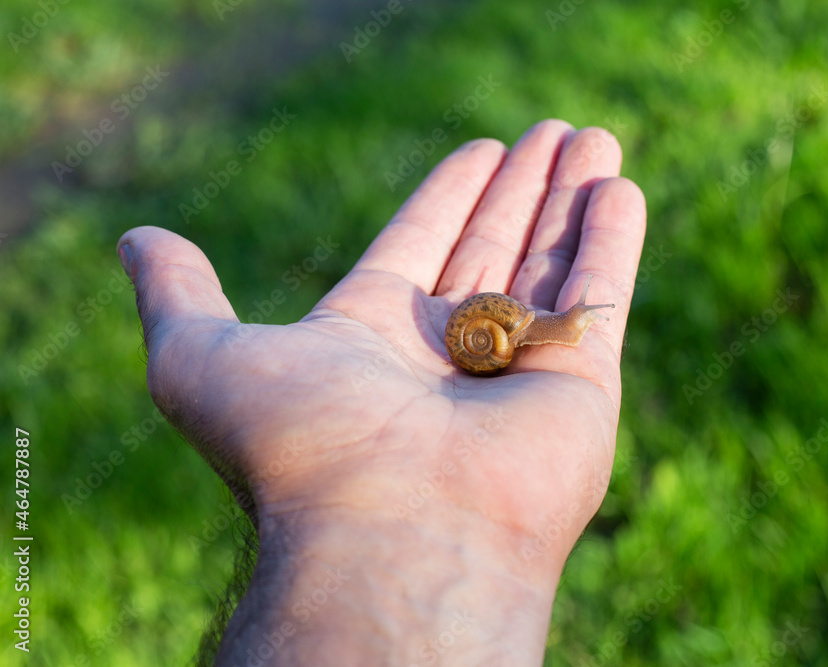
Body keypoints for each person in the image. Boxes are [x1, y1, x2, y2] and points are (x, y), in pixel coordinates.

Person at [117, 119, 646, 665]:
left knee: (561, 317)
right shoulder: (498, 334)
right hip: (488, 337)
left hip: (492, 335)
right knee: (561, 319)